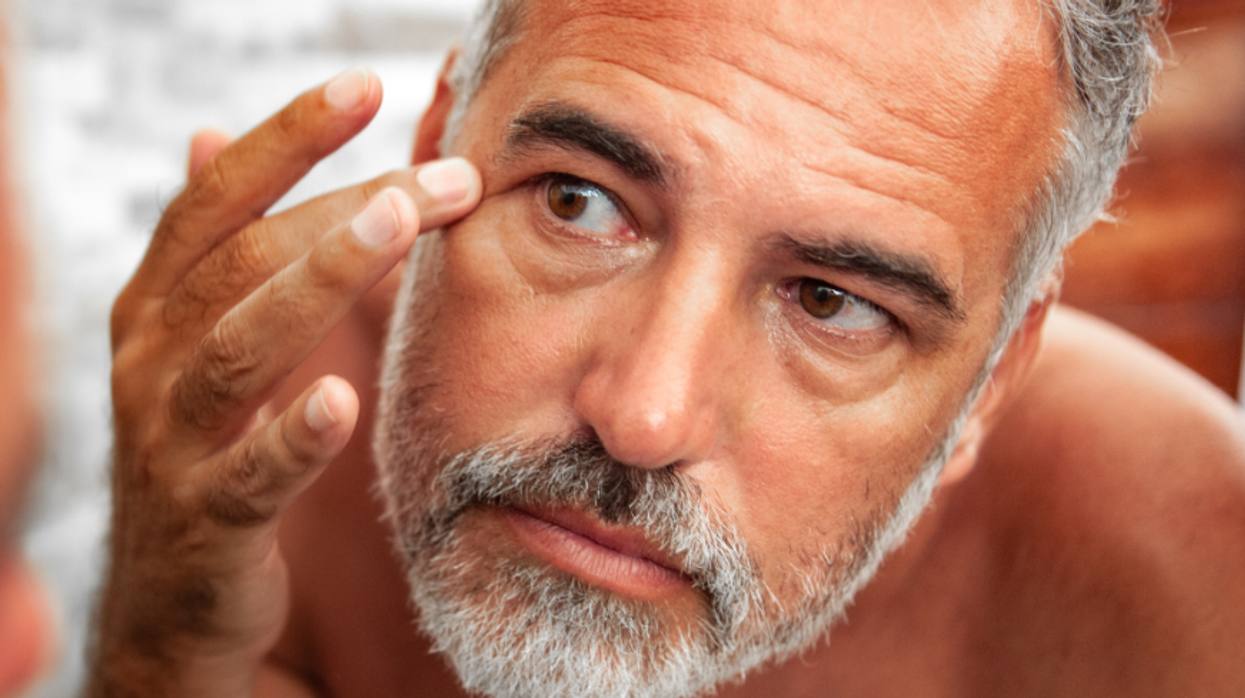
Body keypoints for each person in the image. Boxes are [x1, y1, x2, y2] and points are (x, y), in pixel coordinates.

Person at [89, 0, 1245, 696]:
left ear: (993, 378)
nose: (641, 414)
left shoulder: (1189, 592)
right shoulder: (268, 438)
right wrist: (157, 648)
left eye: (835, 303)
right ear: (441, 137)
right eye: (581, 205)